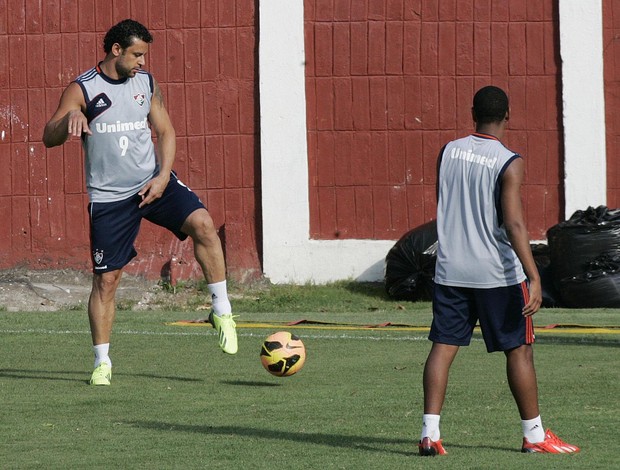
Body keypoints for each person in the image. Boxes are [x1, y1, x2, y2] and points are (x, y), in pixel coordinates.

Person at [42, 19, 238, 386]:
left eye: (144, 55)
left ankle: (222, 310)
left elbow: (165, 131)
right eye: (137, 54)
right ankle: (102, 362)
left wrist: (163, 177)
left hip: (153, 184)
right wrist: (69, 117)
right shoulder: (82, 89)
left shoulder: (145, 84)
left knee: (204, 225)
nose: (142, 62)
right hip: (110, 198)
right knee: (107, 281)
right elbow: (48, 137)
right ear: (116, 50)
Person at [418, 86, 579, 455]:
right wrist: (535, 275)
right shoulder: (509, 160)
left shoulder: (447, 151)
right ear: (509, 115)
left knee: (442, 348)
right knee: (519, 351)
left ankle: (430, 433)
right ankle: (535, 436)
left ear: (472, 112)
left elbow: (448, 205)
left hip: (450, 270)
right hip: (496, 274)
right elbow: (514, 225)